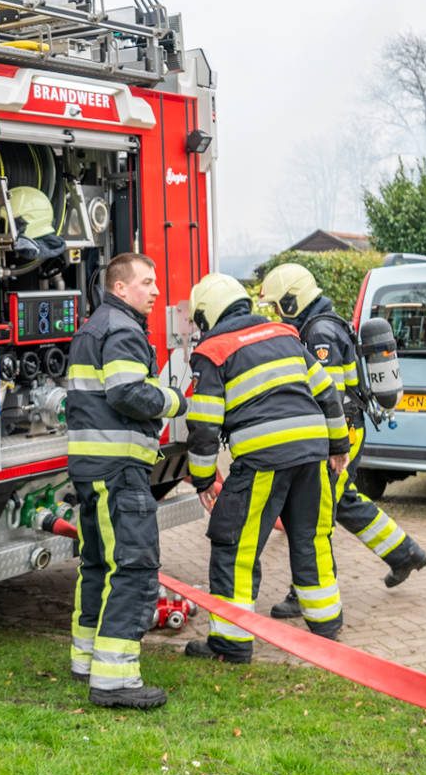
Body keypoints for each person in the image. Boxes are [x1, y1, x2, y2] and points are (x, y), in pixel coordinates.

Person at [182, 272, 348, 661]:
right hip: (311, 453)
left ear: (207, 314)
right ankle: (326, 626)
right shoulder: (285, 334)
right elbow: (326, 392)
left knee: (234, 546)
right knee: (312, 537)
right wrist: (338, 444)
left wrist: (203, 478)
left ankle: (231, 644)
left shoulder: (213, 350)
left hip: (262, 461)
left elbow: (204, 423)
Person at [257, 265, 426, 633]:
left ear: (292, 299)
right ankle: (405, 553)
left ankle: (307, 592)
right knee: (343, 501)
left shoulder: (319, 331)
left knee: (315, 515)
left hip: (340, 434)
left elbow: (327, 395)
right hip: (347, 431)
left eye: (278, 305)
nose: (276, 312)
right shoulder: (321, 323)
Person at [65, 252, 187, 709]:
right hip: (119, 472)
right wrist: (174, 401)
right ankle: (115, 681)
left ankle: (87, 659)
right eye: (147, 282)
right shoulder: (122, 329)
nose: (156, 291)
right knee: (134, 570)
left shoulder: (94, 326)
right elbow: (127, 392)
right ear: (121, 288)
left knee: (97, 565)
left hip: (93, 469)